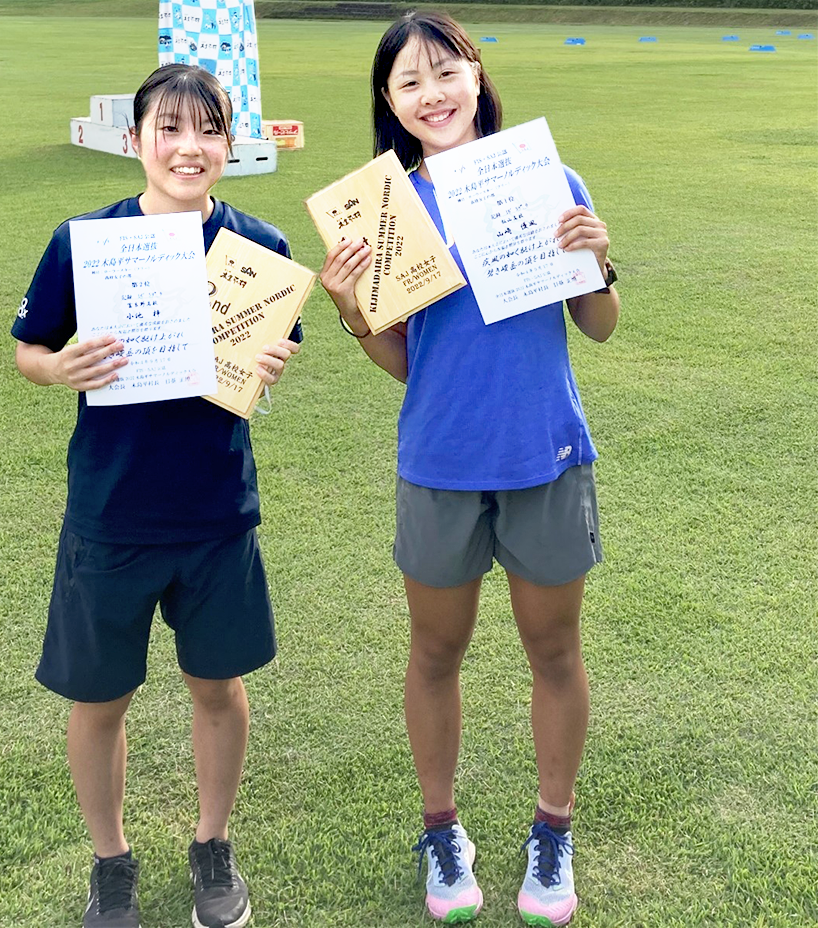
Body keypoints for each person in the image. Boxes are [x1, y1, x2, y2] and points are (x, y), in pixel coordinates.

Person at [320, 12, 619, 927]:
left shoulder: (544, 180)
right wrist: (354, 309)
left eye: (444, 70)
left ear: (477, 75)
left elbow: (599, 327)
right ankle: (442, 830)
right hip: (442, 460)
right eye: (409, 82)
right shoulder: (388, 213)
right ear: (390, 103)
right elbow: (412, 364)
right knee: (436, 651)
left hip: (544, 452)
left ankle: (552, 830)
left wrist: (593, 261)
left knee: (554, 650)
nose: (432, 93)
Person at [12, 64, 301, 928]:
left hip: (216, 510)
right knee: (99, 699)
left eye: (207, 129)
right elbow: (31, 349)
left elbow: (265, 358)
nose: (188, 146)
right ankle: (111, 863)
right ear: (135, 140)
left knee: (218, 687)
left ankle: (213, 845)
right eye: (168, 129)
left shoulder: (262, 248)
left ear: (228, 143)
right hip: (112, 511)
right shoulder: (84, 241)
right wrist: (56, 367)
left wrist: (271, 366)